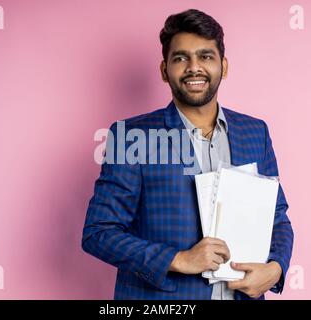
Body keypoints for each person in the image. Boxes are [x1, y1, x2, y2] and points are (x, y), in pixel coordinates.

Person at [82, 8, 293, 300]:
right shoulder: (132, 137)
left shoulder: (255, 132)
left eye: (206, 56)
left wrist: (276, 268)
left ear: (224, 66)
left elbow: (277, 217)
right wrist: (179, 259)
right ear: (164, 70)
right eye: (181, 58)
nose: (194, 67)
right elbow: (99, 232)